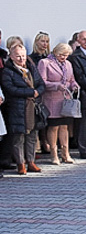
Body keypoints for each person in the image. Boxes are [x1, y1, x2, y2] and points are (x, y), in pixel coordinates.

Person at [1, 43, 46, 174]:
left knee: (32, 135)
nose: (21, 59)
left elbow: (41, 84)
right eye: (18, 56)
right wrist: (30, 92)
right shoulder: (8, 71)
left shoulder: (31, 68)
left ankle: (31, 161)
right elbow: (10, 89)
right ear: (11, 56)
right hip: (17, 108)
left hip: (33, 107)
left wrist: (38, 91)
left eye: (23, 56)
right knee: (18, 137)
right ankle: (21, 163)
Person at [37, 43, 79, 164]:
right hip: (52, 99)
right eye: (61, 55)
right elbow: (42, 82)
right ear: (55, 52)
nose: (64, 57)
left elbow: (71, 80)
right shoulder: (45, 63)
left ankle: (66, 154)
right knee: (54, 127)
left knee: (64, 127)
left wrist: (74, 85)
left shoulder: (68, 64)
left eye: (66, 55)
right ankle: (54, 154)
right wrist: (56, 86)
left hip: (65, 100)